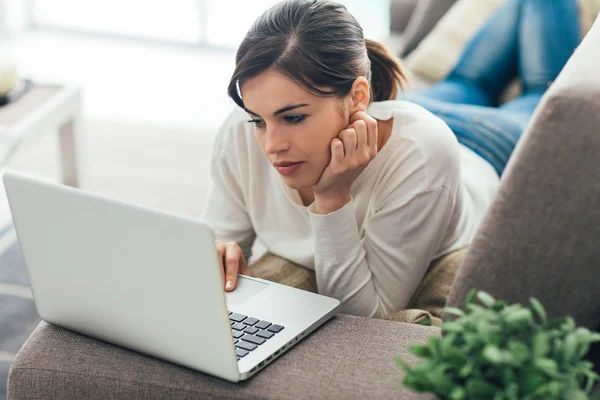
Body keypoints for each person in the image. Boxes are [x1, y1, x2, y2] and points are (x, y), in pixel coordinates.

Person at [201, 0, 580, 318]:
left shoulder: (423, 155)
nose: (271, 145)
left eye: (294, 117)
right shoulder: (240, 131)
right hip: (398, 114)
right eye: (258, 120)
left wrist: (332, 200)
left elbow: (367, 317)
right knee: (468, 80)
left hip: (479, 145)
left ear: (357, 96)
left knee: (538, 89)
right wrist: (217, 250)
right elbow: (220, 238)